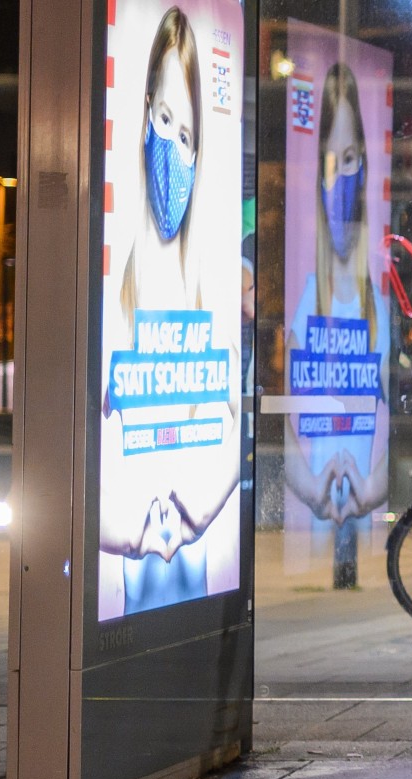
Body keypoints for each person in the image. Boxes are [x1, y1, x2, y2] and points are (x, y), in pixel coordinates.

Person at [98, 6, 241, 618]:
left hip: (196, 572)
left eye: (187, 137)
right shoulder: (115, 289)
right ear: (142, 115)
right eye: (163, 120)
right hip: (127, 590)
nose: (174, 150)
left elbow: (239, 421)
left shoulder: (208, 290)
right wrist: (129, 530)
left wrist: (197, 508)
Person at [283, 62, 391, 589]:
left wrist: (374, 483)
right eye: (330, 162)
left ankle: (345, 567)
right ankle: (338, 567)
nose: (341, 178)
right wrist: (306, 483)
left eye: (350, 160)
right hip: (314, 496)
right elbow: (282, 404)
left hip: (357, 485)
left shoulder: (377, 298)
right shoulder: (304, 291)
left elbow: (392, 403)